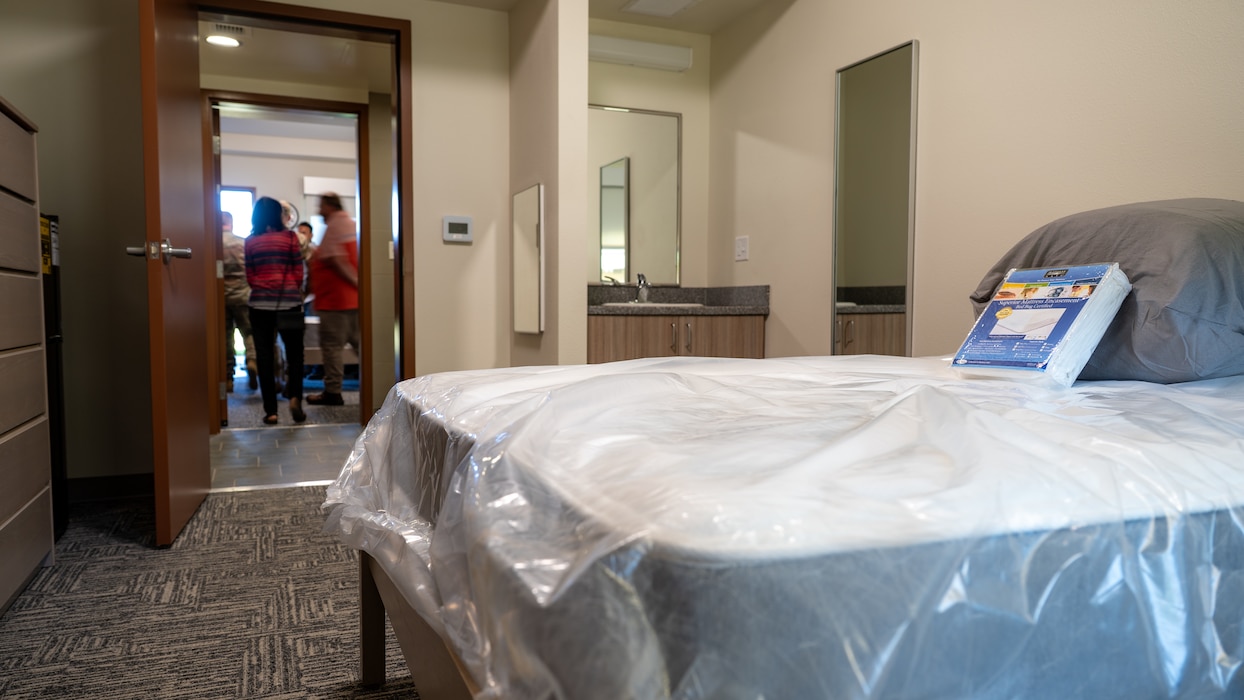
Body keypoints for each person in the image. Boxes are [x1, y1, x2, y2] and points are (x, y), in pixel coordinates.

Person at [245, 196, 307, 425]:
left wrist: (264, 287)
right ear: (278, 215)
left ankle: (271, 411)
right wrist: (291, 288)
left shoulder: (250, 241)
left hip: (259, 305)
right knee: (295, 355)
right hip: (289, 302)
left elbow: (250, 275)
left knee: (264, 356)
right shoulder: (290, 238)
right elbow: (298, 271)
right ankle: (295, 398)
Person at [306, 192, 360, 407]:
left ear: (330, 206)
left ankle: (333, 392)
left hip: (335, 301)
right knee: (360, 345)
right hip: (351, 300)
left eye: (321, 206)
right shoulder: (348, 223)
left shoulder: (336, 224)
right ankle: (381, 385)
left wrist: (356, 282)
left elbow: (337, 260)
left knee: (332, 348)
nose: (319, 210)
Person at [220, 212, 257, 391]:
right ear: (231, 223)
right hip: (244, 295)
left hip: (222, 297)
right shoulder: (243, 243)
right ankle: (252, 360)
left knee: (225, 336)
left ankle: (228, 377)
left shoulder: (214, 244)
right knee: (249, 331)